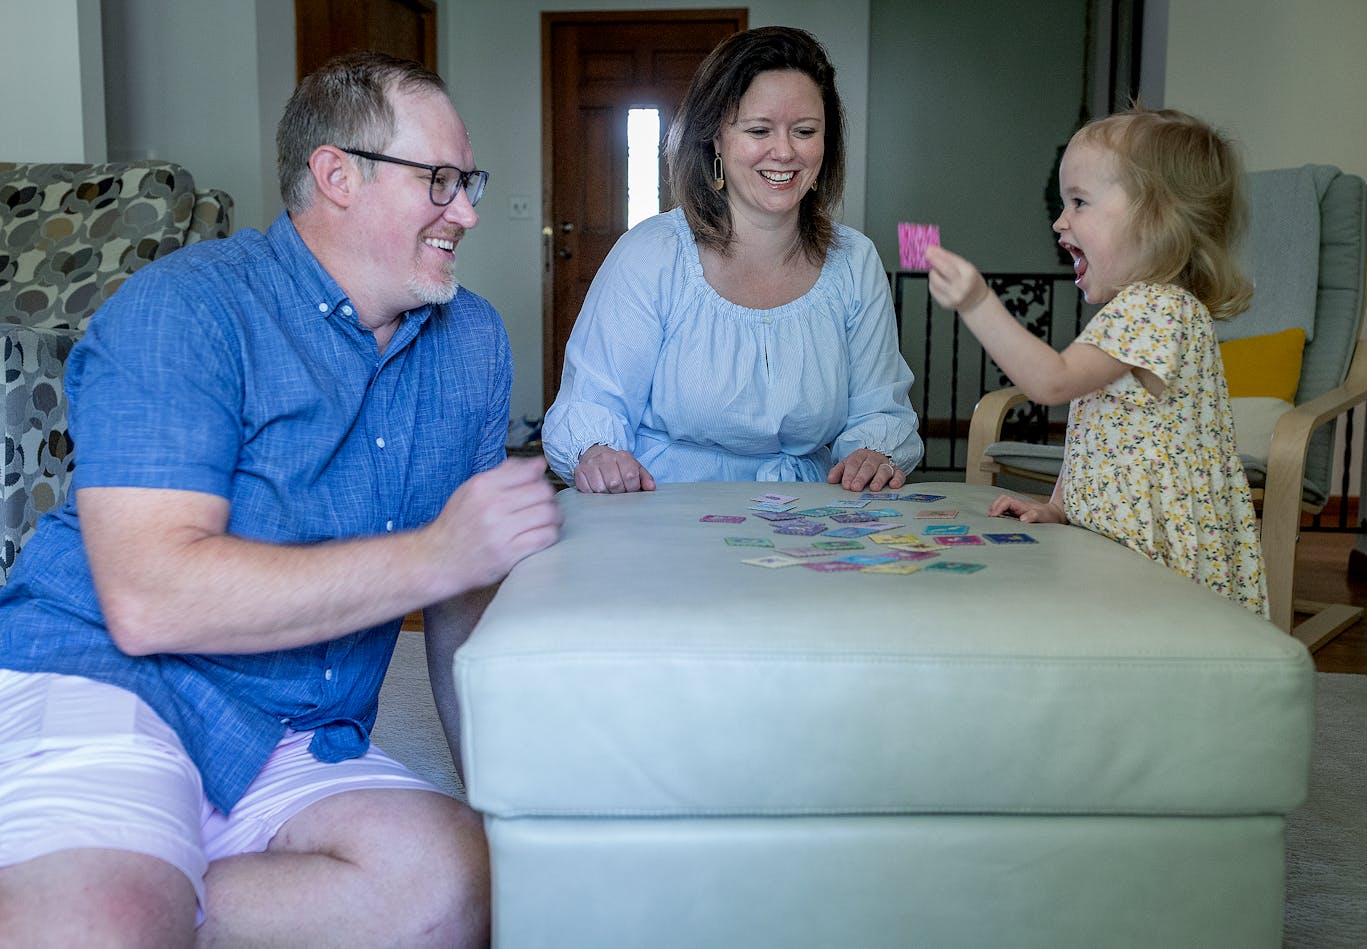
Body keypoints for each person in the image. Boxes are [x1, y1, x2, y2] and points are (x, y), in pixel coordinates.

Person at [0, 52, 559, 947]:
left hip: (294, 725)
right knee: (102, 920)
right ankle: (99, 881)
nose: (468, 210)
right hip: (111, 675)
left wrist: (495, 800)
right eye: (441, 181)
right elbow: (148, 600)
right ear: (337, 174)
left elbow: (460, 610)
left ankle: (134, 872)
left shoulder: (474, 343)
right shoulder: (185, 309)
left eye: (470, 180)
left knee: (452, 885)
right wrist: (438, 550)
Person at [541, 26, 923, 495]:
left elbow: (880, 411)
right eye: (759, 130)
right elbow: (594, 403)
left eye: (804, 131)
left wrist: (874, 453)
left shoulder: (854, 260)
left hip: (809, 516)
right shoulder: (652, 254)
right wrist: (596, 452)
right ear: (716, 140)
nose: (784, 152)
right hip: (665, 511)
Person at [925, 106, 1268, 616]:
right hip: (1122, 547)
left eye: (1080, 202)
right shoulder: (1143, 309)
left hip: (1153, 561)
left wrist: (978, 303)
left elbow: (1052, 382)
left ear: (1159, 218)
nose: (1060, 222)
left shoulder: (1156, 308)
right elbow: (1099, 430)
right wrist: (1057, 507)